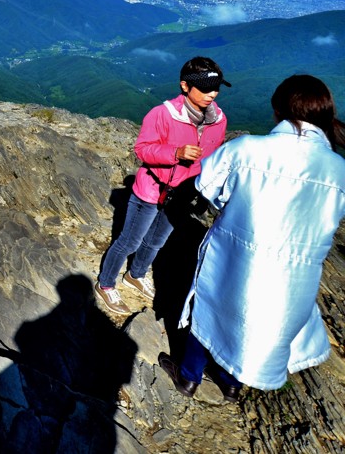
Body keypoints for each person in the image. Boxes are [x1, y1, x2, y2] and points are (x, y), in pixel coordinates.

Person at [161, 74, 345, 401]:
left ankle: (188, 376)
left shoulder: (247, 149)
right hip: (298, 275)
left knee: (214, 305)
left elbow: (210, 188)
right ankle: (232, 383)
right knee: (256, 323)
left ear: (278, 112)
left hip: (237, 252)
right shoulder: (338, 170)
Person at [94, 57, 230, 315]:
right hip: (151, 190)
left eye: (216, 87)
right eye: (204, 88)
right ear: (185, 86)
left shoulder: (219, 120)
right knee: (129, 241)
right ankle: (105, 284)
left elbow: (214, 156)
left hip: (184, 193)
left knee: (156, 241)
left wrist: (207, 190)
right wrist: (175, 153)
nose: (212, 94)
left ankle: (135, 275)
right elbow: (142, 150)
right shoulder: (162, 114)